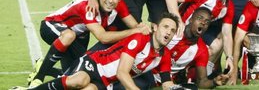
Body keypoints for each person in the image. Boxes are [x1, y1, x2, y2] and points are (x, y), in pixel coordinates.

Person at [27, 0, 150, 87]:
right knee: (69, 35)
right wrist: (135, 30)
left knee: (80, 71)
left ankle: (45, 67)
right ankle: (38, 78)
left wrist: (143, 28)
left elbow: (134, 25)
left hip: (75, 37)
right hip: (51, 26)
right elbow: (103, 37)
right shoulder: (88, 7)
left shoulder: (119, 5)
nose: (110, 0)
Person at [23, 13, 180, 90]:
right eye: (165, 27)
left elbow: (166, 82)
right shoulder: (140, 39)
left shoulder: (164, 55)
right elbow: (122, 73)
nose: (168, 32)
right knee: (80, 81)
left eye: (172, 30)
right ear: (155, 27)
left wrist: (176, 88)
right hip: (93, 63)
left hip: (105, 82)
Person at [165, 0, 239, 78]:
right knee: (166, 61)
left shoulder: (229, 6)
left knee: (218, 43)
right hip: (179, 31)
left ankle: (203, 72)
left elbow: (227, 34)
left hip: (194, 36)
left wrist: (229, 57)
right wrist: (179, 21)